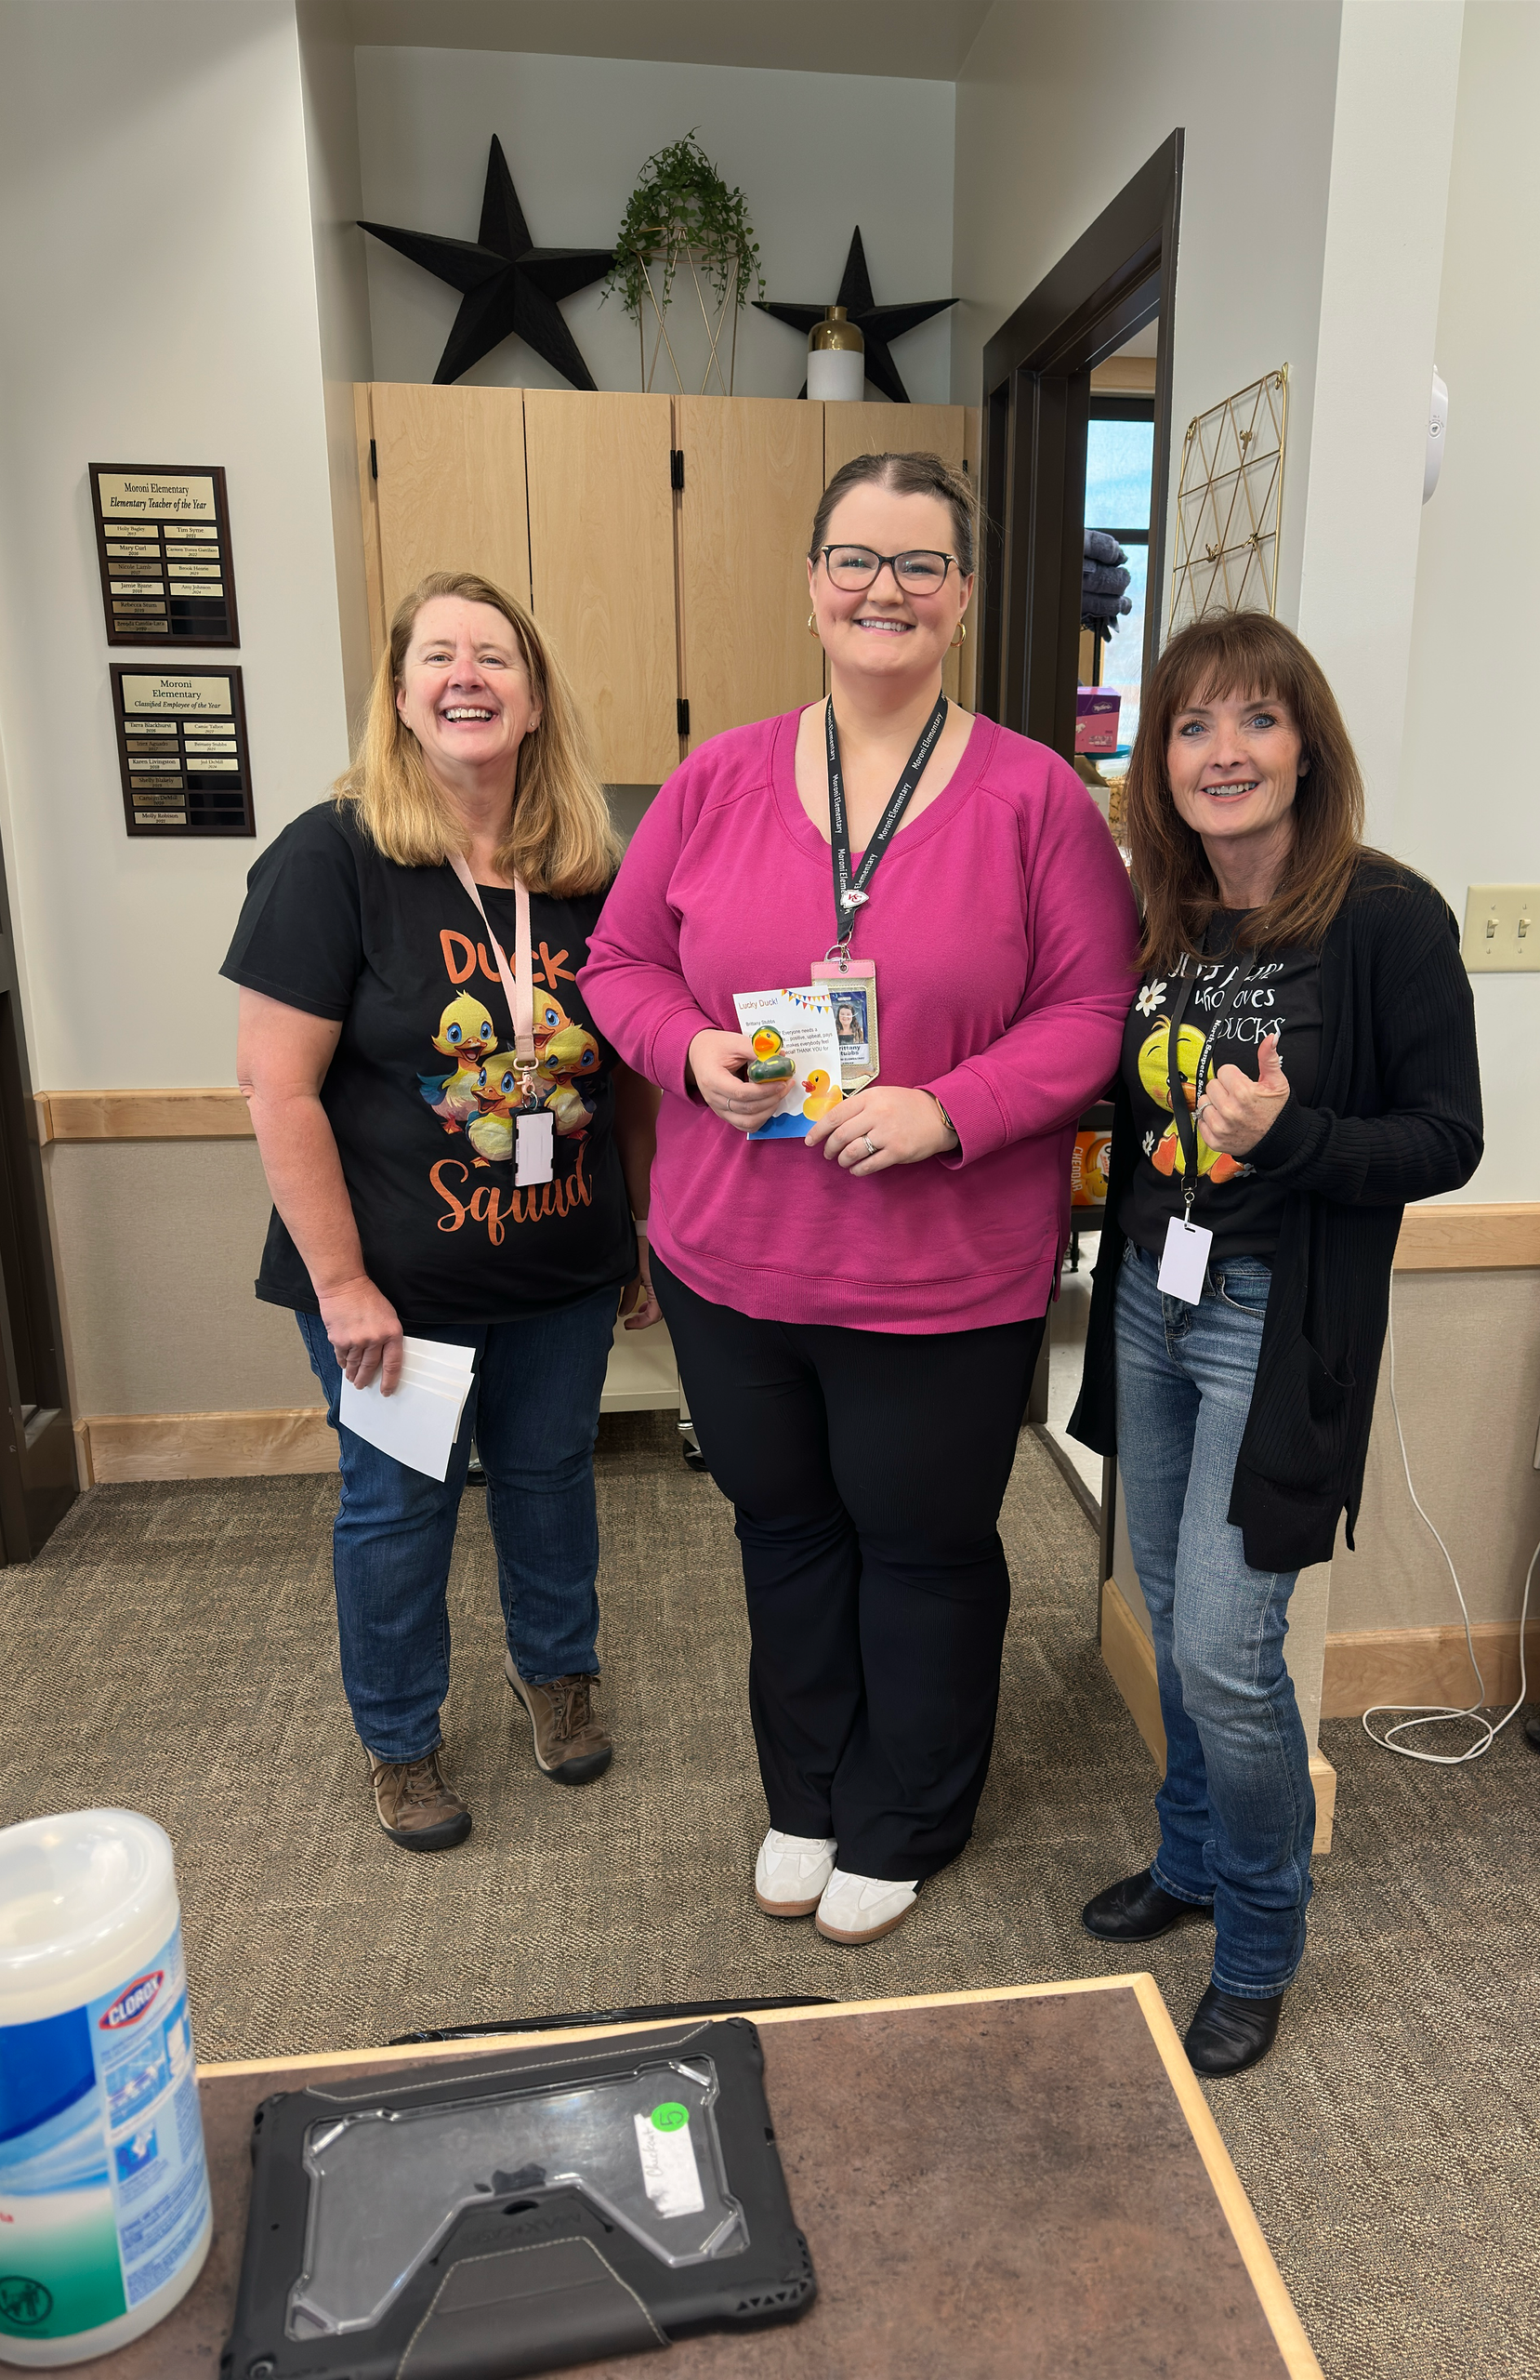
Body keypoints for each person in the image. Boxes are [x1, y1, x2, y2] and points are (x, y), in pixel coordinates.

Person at [580, 452, 1139, 1945]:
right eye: (854, 560)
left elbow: (1095, 1013)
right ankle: (811, 1790)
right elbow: (617, 968)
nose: (881, 590)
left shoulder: (1038, 801)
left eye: (917, 565)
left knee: (922, 1542)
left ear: (961, 597)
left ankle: (908, 1809)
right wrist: (692, 1055)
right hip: (733, 1259)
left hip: (941, 1271)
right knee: (785, 1533)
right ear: (813, 584)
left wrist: (947, 1108)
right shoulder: (716, 782)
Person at [1069, 610, 1482, 2075]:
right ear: (1159, 759)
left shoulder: (1385, 917)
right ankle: (1187, 1863)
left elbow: (1449, 1141)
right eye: (1191, 726)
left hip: (1271, 1326)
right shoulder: (1168, 920)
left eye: (1255, 720)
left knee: (1228, 1651)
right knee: (1169, 1604)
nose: (1223, 752)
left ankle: (1258, 1938)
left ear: (1307, 744)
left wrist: (1293, 1134)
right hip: (1152, 1296)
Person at [224, 569, 660, 1852]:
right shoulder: (334, 855)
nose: (467, 676)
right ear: (403, 698)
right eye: (439, 658)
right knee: (400, 1510)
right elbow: (275, 1086)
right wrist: (345, 1287)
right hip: (396, 1290)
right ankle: (402, 1740)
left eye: (497, 659)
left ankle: (556, 1673)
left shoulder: (587, 869)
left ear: (534, 703)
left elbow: (626, 1070)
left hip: (561, 1269)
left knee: (549, 1483)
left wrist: (629, 1232)